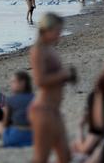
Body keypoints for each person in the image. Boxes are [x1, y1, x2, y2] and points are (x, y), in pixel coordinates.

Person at [29, 13, 77, 163]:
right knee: (41, 158)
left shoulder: (50, 49)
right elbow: (39, 80)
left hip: (54, 110)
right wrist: (64, 74)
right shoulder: (38, 50)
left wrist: (68, 76)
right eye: (57, 30)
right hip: (43, 110)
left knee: (65, 156)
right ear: (46, 30)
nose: (59, 34)